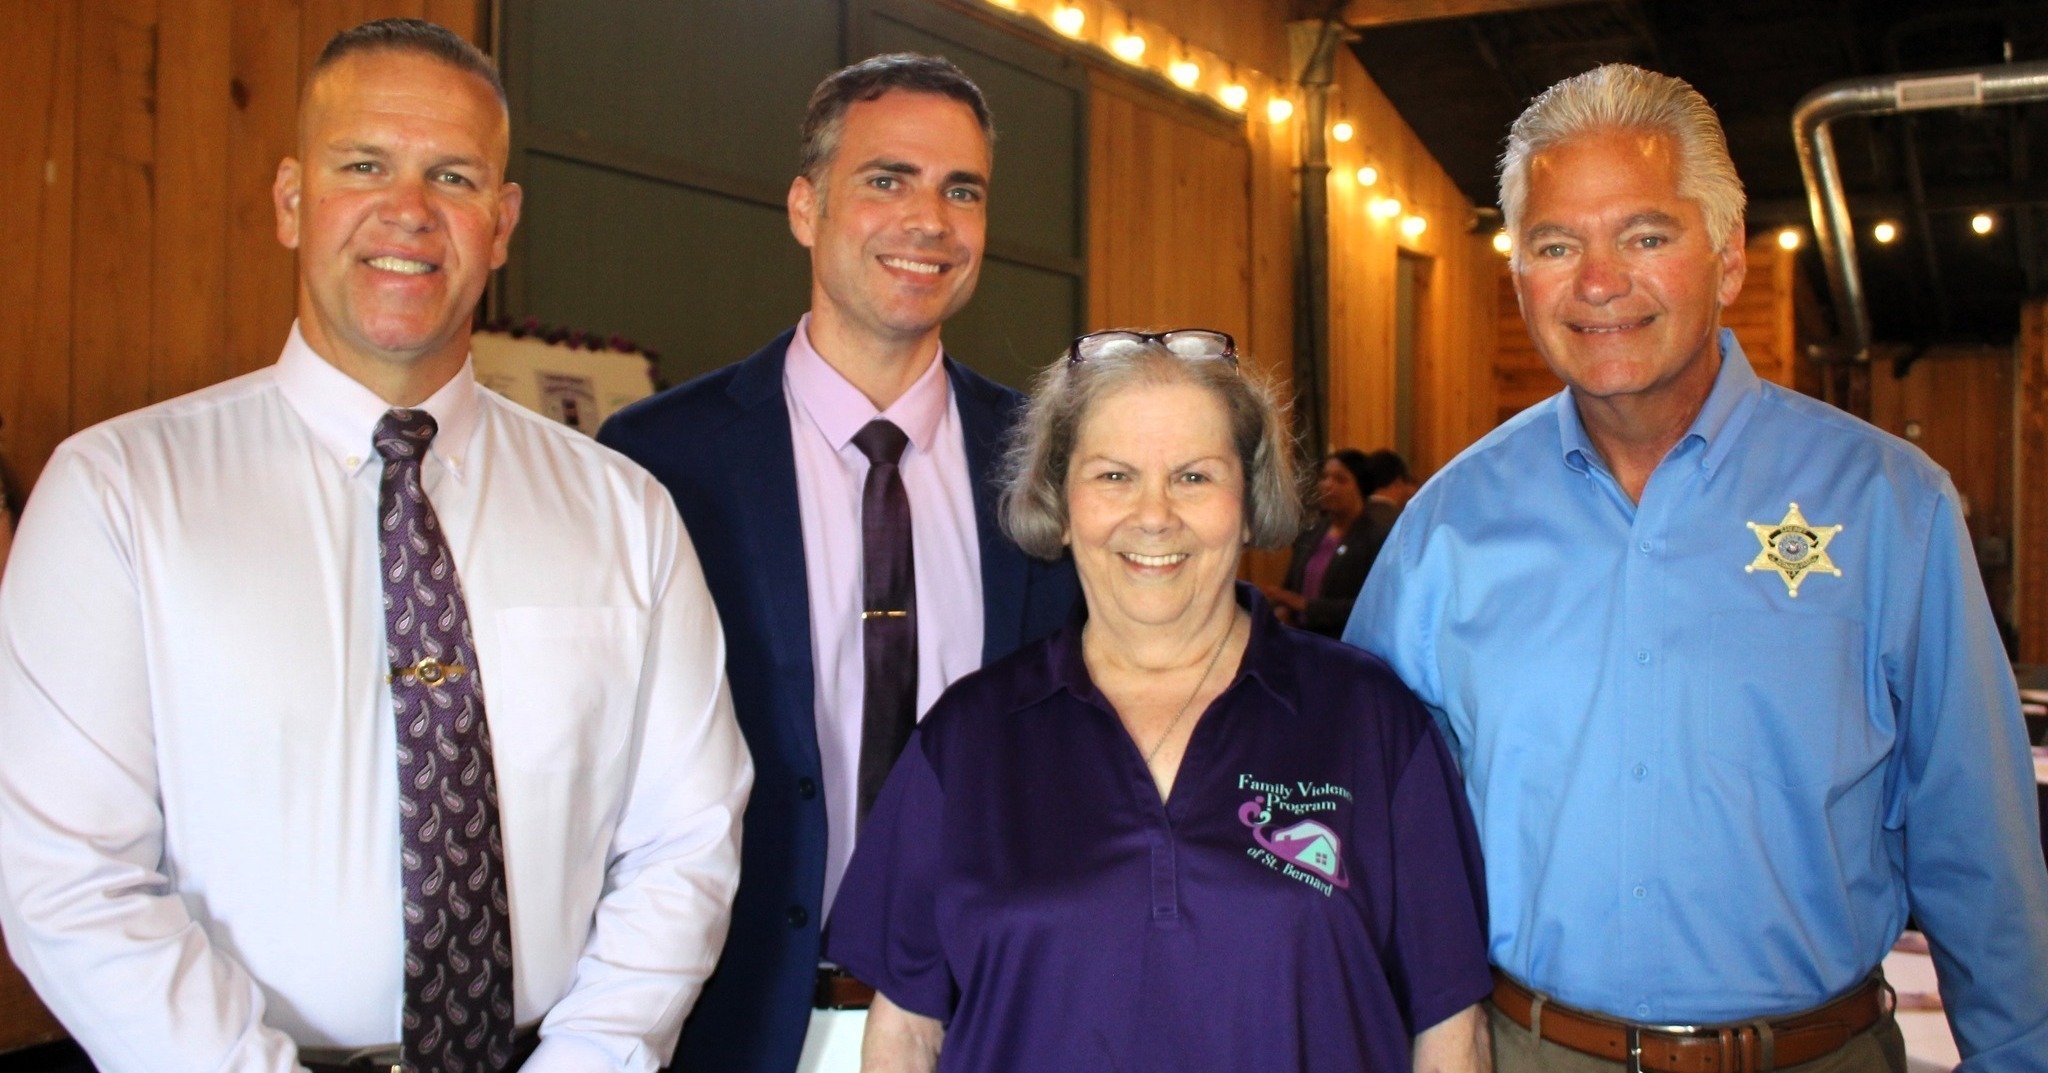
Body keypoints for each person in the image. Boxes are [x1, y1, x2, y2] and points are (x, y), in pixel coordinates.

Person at [0, 20, 752, 1073]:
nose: (409, 211)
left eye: (453, 175)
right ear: (291, 199)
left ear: (501, 222)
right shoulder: (120, 494)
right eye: (364, 165)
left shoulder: (625, 511)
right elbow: (71, 875)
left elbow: (686, 838)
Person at [1347, 63, 2048, 1072]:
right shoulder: (1443, 531)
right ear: (1519, 278)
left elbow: (1974, 843)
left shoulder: (1891, 506)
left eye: (1643, 235)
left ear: (1725, 262)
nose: (1596, 281)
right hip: (1524, 1052)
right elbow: (1369, 827)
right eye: (1555, 244)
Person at [829, 329, 1492, 1073]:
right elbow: (907, 1034)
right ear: (1060, 499)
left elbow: (1449, 1031)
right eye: (1113, 476)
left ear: (1249, 502)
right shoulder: (967, 738)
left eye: (1194, 477)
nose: (1153, 515)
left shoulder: (1371, 721)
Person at [596, 54, 1077, 1073]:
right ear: (805, 205)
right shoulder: (657, 461)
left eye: (962, 190)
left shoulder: (1049, 461)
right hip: (732, 1022)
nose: (929, 221)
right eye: (886, 179)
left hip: (990, 1020)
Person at [1262, 448, 1400, 636]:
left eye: (1340, 480)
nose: (1328, 485)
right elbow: (1290, 590)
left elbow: (1373, 605)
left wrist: (1307, 606)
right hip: (1301, 641)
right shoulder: (1311, 533)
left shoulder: (1375, 538)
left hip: (1345, 645)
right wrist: (1283, 608)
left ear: (1361, 487)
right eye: (1324, 477)